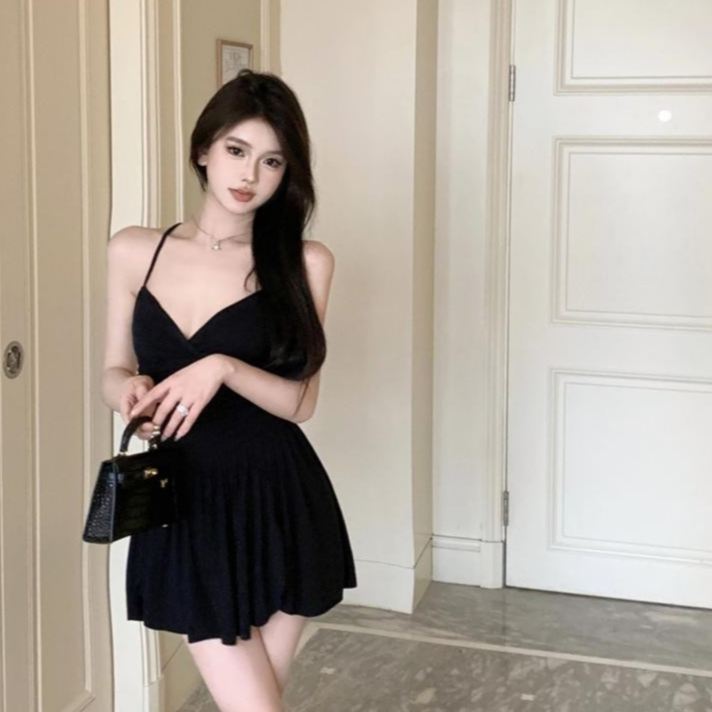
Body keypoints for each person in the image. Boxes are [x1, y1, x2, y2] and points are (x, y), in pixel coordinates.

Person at [100, 68, 358, 712]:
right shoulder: (134, 251)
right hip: (183, 498)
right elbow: (111, 370)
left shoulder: (305, 263)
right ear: (203, 151)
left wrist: (224, 367)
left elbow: (299, 404)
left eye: (272, 161)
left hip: (278, 495)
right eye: (237, 151)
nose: (250, 175)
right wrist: (128, 391)